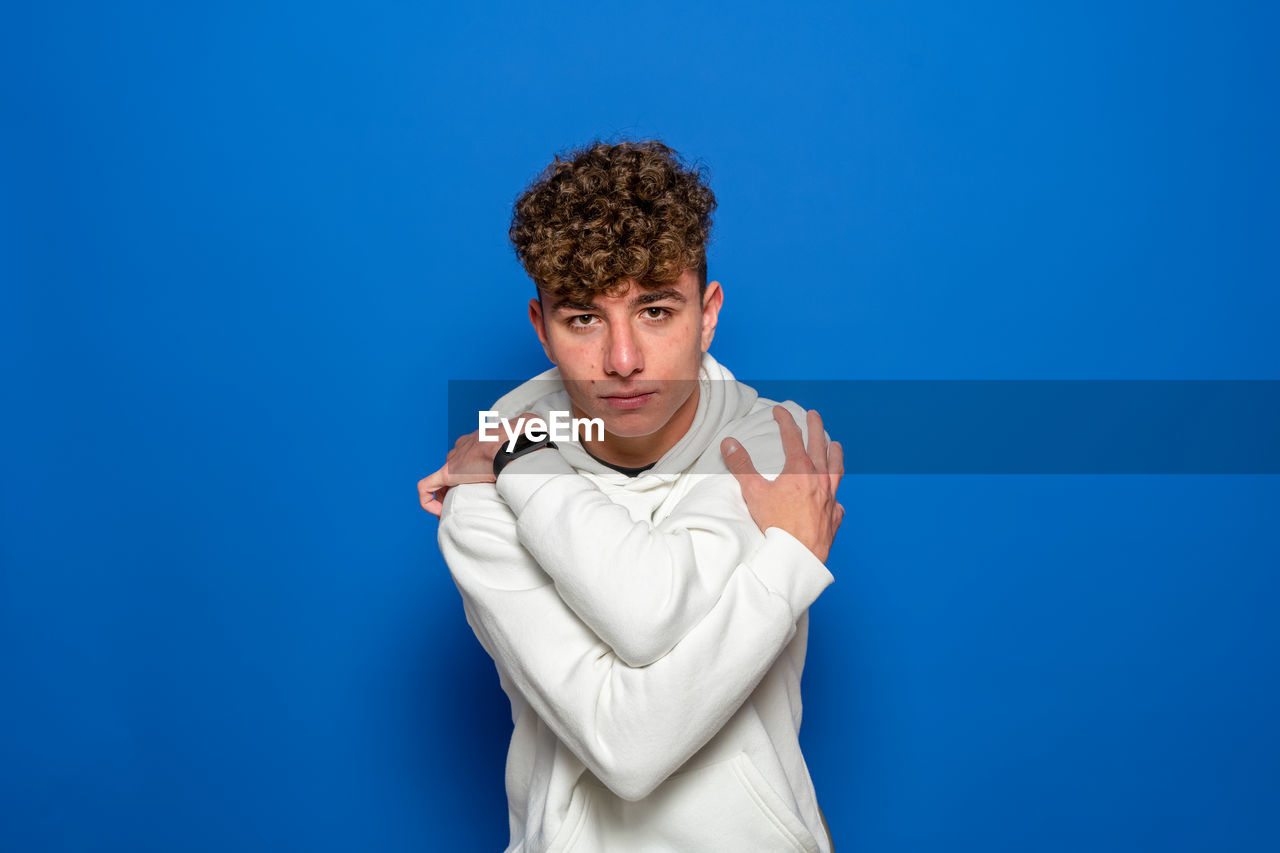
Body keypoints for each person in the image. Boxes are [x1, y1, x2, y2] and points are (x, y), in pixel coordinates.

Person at [418, 140, 845, 853]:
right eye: (585, 318)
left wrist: (518, 456)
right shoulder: (483, 500)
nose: (622, 360)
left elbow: (646, 613)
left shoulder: (776, 451)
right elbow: (628, 748)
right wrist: (787, 566)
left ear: (707, 313)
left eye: (655, 310)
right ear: (541, 327)